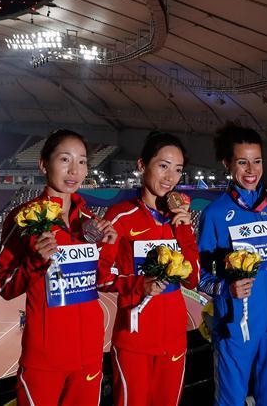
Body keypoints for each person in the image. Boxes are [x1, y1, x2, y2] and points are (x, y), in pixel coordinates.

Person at [0, 129, 116, 406]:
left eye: (82, 161)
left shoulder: (90, 222)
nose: (75, 170)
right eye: (65, 159)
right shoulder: (23, 219)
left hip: (89, 358)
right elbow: (4, 286)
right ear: (43, 164)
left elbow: (100, 281)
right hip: (44, 361)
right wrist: (36, 261)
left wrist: (107, 246)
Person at [197, 123, 267, 406]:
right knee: (231, 401)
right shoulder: (215, 214)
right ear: (227, 163)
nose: (251, 170)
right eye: (242, 162)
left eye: (257, 161)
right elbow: (199, 277)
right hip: (237, 328)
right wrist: (226, 288)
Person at [97, 131, 199, 406]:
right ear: (142, 165)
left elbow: (192, 280)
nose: (170, 177)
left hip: (175, 340)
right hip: (134, 342)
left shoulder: (180, 219)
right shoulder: (118, 216)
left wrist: (185, 230)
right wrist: (137, 284)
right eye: (163, 166)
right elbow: (100, 277)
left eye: (178, 170)